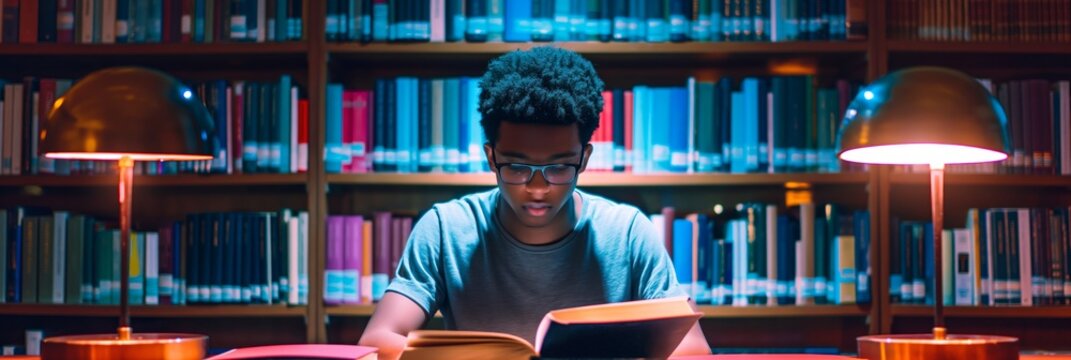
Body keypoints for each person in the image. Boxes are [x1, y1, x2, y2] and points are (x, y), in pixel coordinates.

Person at [357, 46, 711, 359]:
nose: (538, 188)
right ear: (491, 157)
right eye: (517, 167)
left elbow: (693, 350)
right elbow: (375, 341)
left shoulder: (629, 233)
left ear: (584, 159)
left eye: (558, 167)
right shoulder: (445, 229)